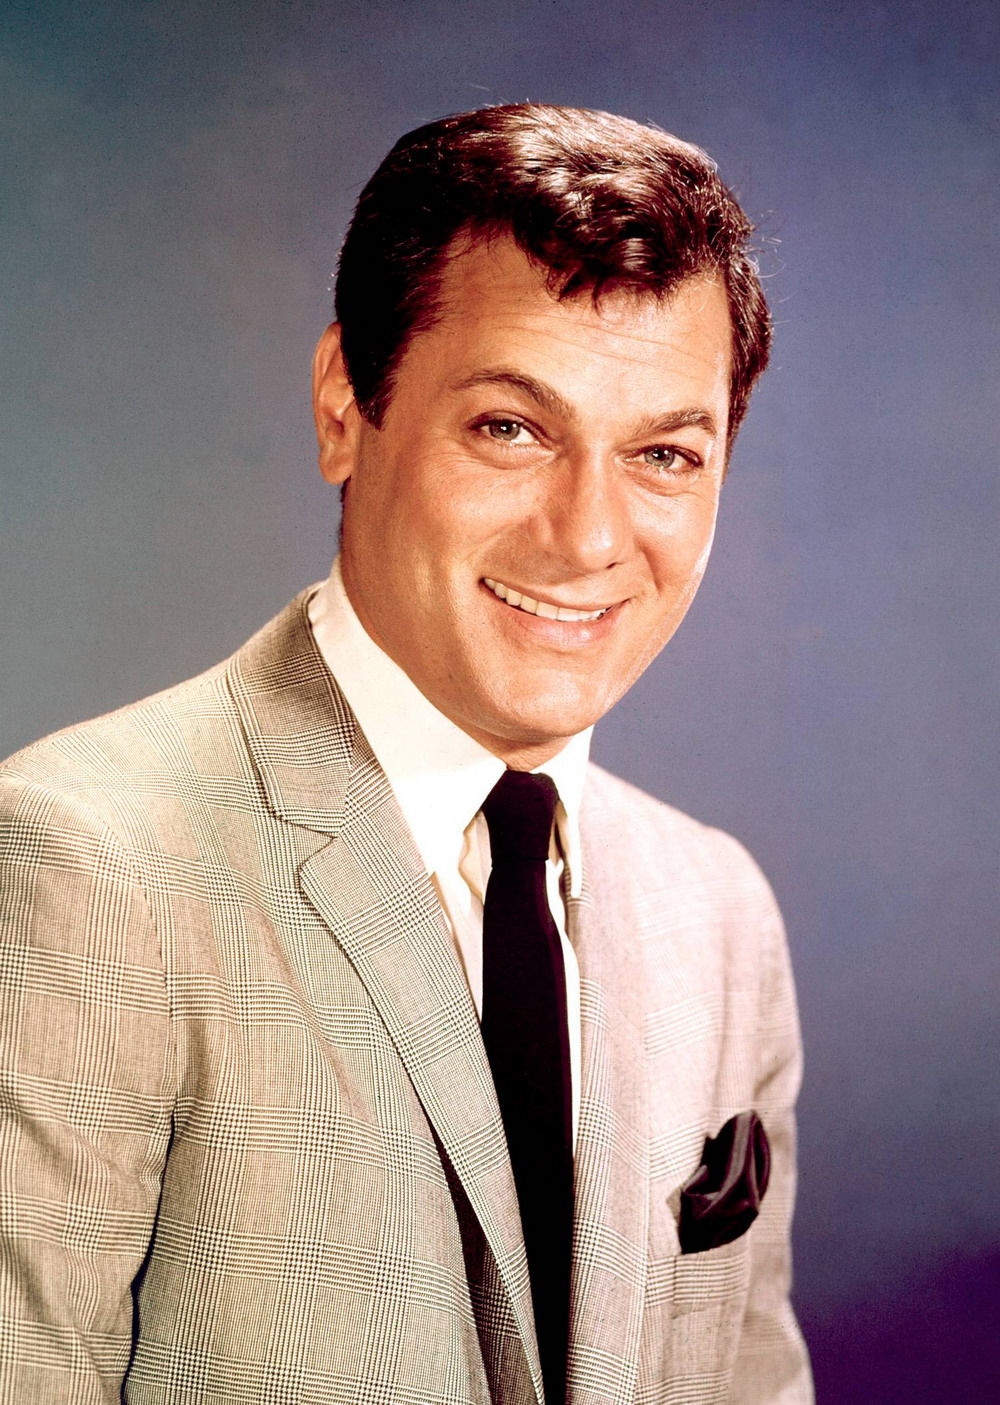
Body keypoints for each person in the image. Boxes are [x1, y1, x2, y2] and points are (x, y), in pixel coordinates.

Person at [0, 104, 812, 1403]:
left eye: (664, 453)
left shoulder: (720, 916)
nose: (588, 536)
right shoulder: (79, 865)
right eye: (510, 428)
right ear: (345, 405)